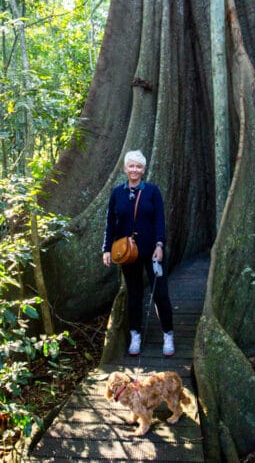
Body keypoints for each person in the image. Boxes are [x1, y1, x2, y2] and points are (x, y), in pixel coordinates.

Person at [102, 150, 174, 356]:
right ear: (125, 168)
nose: (134, 170)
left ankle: (168, 334)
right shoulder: (117, 193)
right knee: (134, 295)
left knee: (160, 294)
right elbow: (110, 224)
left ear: (143, 169)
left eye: (138, 166)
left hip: (152, 251)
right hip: (128, 253)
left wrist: (160, 245)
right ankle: (135, 336)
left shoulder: (152, 191)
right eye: (131, 166)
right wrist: (107, 249)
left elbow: (159, 220)